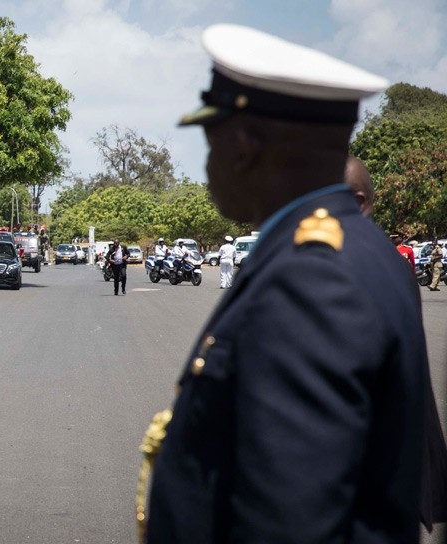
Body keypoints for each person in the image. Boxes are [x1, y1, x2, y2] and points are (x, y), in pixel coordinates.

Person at [142, 24, 430, 544]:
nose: (206, 168)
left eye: (211, 143)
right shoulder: (361, 246)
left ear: (245, 145)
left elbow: (290, 520)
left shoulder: (312, 281)